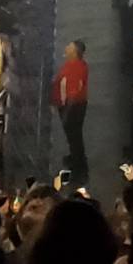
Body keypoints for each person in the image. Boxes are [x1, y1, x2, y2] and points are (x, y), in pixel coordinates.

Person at [52, 41, 90, 174]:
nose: (66, 48)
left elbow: (73, 92)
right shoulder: (74, 65)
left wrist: (66, 112)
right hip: (71, 106)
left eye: (69, 47)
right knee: (73, 136)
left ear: (74, 52)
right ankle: (75, 156)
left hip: (73, 108)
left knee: (74, 136)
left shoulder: (76, 68)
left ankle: (78, 164)